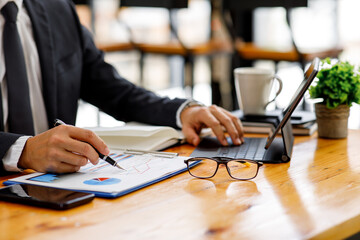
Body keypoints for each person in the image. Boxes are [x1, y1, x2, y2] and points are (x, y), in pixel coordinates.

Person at [0, 0, 244, 175]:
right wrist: (22, 150)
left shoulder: (58, 9)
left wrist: (182, 111)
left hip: (57, 191)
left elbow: (115, 92)